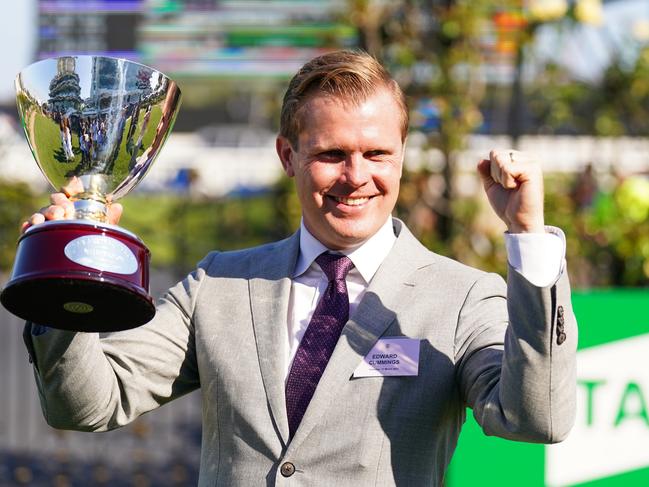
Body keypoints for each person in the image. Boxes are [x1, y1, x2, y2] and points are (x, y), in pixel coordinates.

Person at [22, 50, 576, 486]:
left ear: (402, 154)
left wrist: (528, 240)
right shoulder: (218, 283)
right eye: (331, 155)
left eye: (377, 154)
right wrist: (60, 283)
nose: (356, 176)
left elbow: (536, 419)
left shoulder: (462, 296)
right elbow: (89, 405)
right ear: (288, 156)